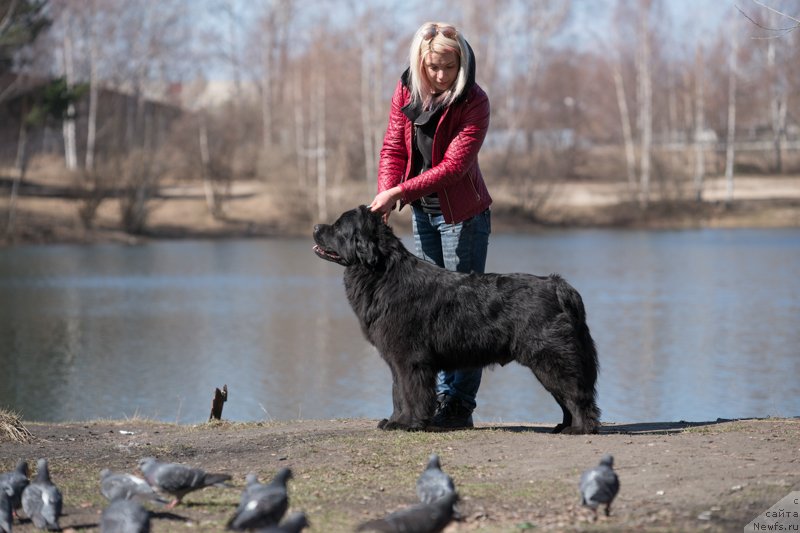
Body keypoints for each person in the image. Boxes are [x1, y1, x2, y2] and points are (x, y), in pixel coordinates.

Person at [368, 21, 492, 429]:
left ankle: (459, 406)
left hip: (463, 219)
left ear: (463, 64)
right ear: (420, 63)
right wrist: (387, 193)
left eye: (450, 67)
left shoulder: (474, 101)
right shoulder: (406, 91)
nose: (441, 76)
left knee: (466, 313)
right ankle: (430, 403)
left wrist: (399, 191)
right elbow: (391, 147)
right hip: (423, 213)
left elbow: (454, 168)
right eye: (433, 67)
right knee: (429, 312)